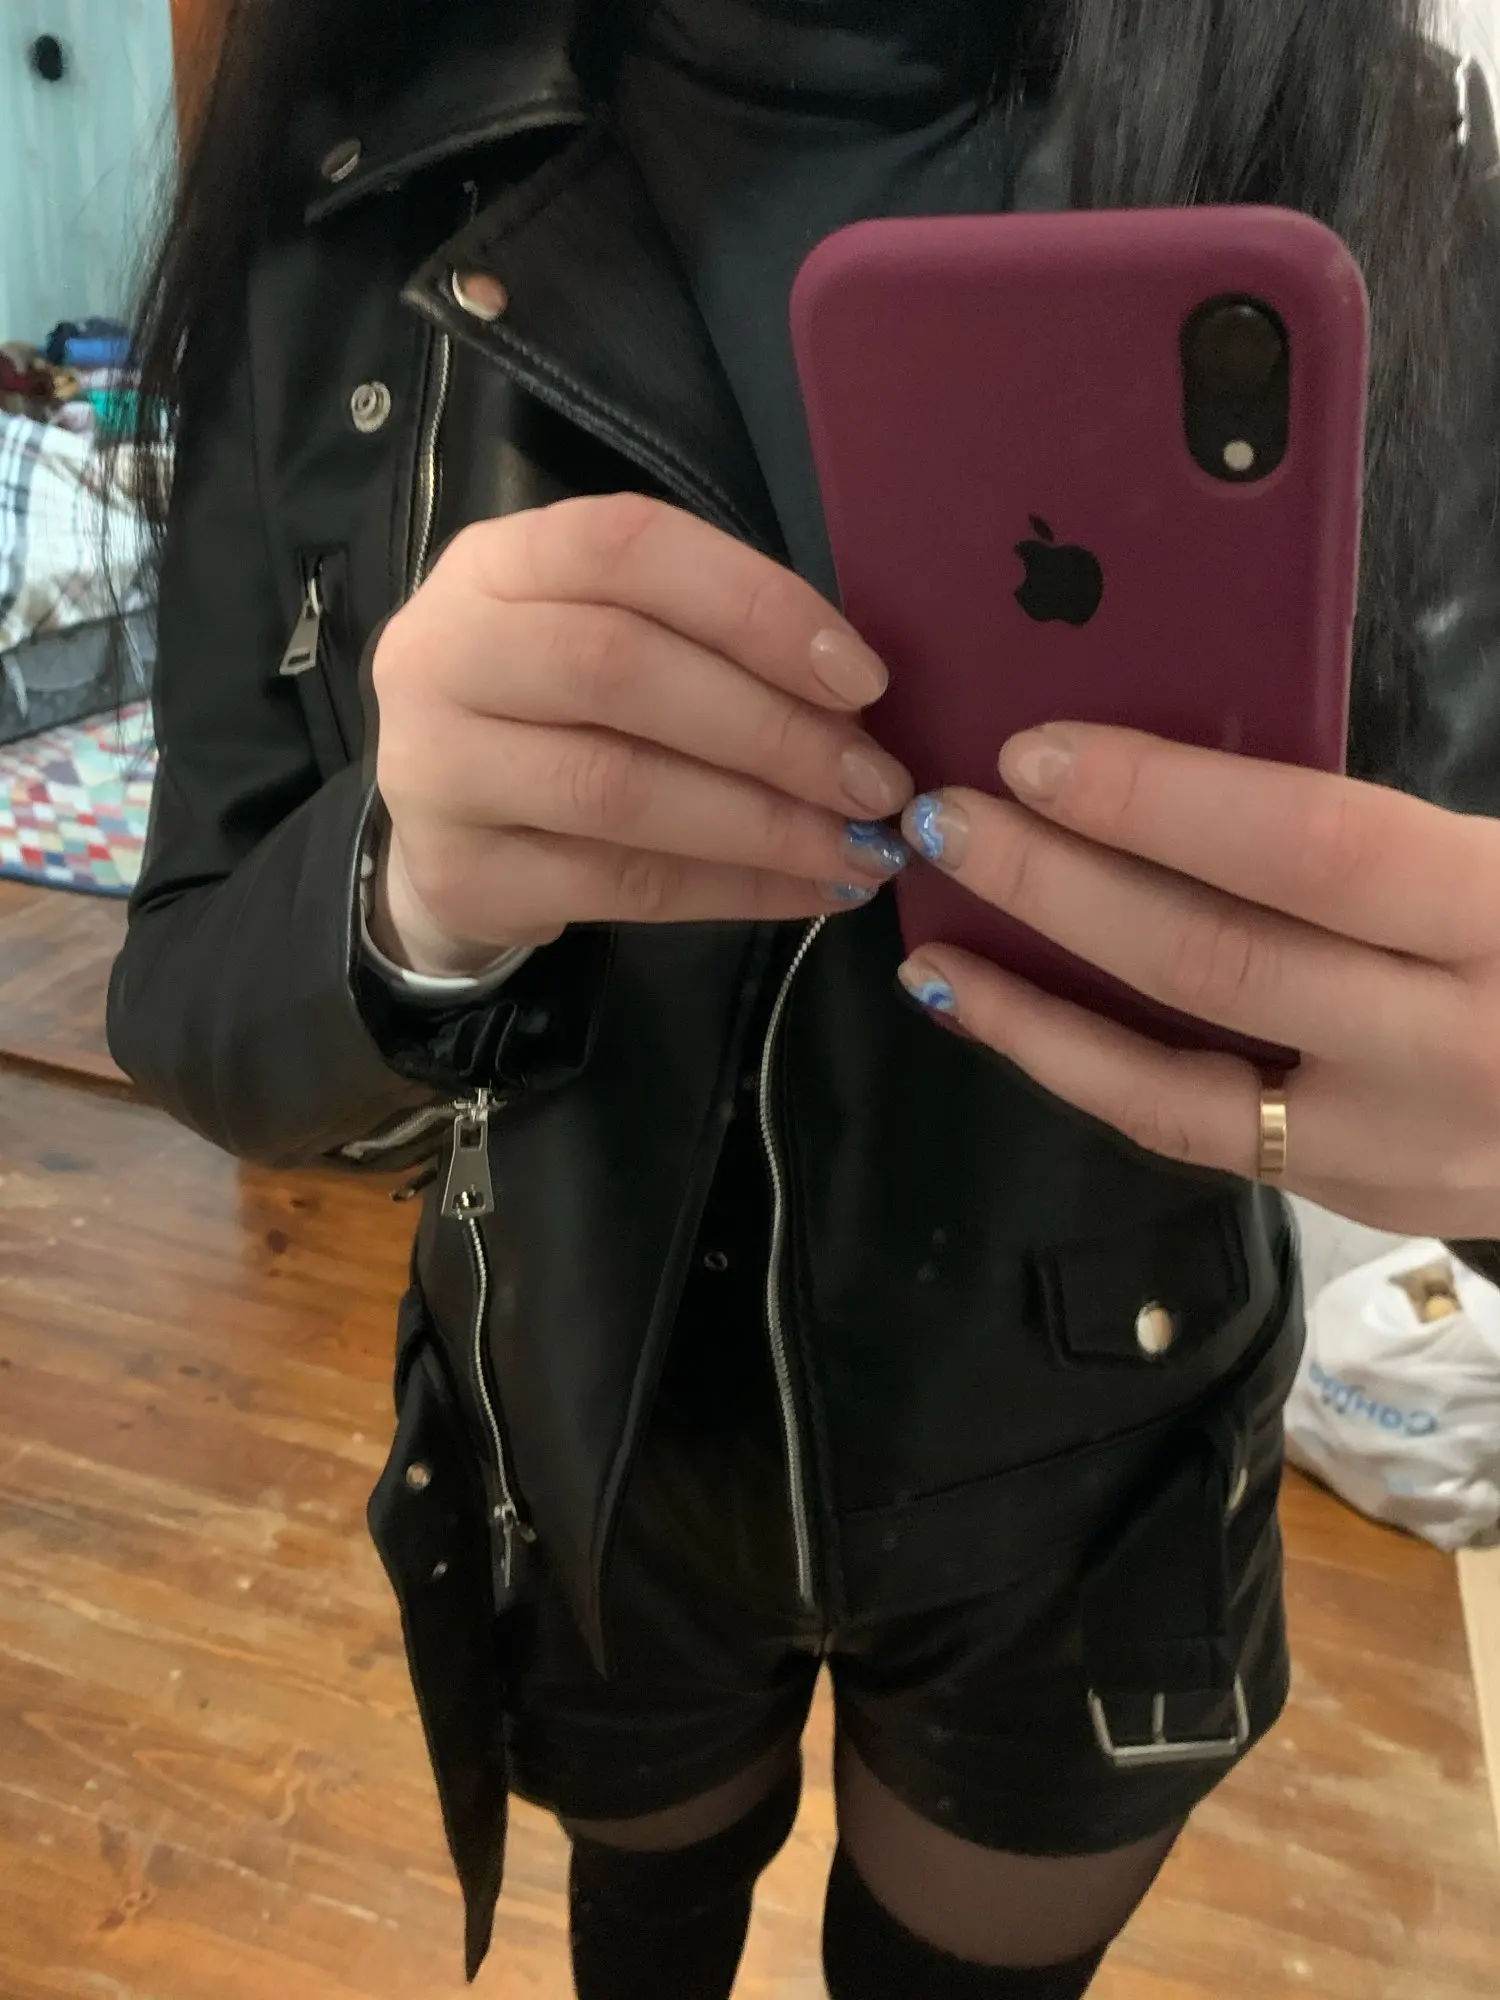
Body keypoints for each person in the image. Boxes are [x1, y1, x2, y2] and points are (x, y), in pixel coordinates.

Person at [109, 3, 1500, 1995]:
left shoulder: (1360, 132)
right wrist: (404, 885)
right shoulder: (349, 147)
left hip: (1092, 1485)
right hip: (595, 1450)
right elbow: (188, 989)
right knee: (642, 1941)